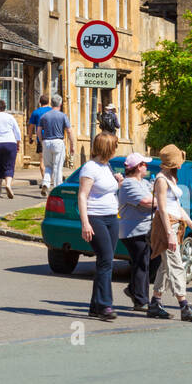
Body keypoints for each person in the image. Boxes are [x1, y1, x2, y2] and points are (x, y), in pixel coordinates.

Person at [148, 144, 192, 322]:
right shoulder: (161, 180)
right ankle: (184, 305)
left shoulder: (170, 178)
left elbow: (178, 208)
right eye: (179, 161)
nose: (181, 164)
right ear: (174, 163)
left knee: (166, 266)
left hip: (174, 225)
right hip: (166, 226)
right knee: (176, 266)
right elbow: (163, 210)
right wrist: (169, 234)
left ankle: (155, 303)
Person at [78, 131, 122, 321]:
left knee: (106, 261)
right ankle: (105, 305)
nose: (116, 150)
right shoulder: (90, 168)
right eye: (114, 146)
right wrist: (85, 222)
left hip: (112, 217)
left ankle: (95, 306)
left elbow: (107, 191)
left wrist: (118, 182)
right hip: (96, 217)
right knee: (105, 260)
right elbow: (82, 195)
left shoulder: (107, 166)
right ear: (107, 148)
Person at [118, 152, 156, 311]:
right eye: (144, 164)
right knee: (142, 263)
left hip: (146, 229)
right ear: (138, 167)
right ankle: (141, 301)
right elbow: (146, 201)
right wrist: (160, 200)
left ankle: (134, 289)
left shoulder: (144, 183)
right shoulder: (128, 184)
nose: (146, 166)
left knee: (154, 260)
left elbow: (157, 192)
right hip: (134, 231)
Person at [36, 94, 75, 196]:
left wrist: (41, 141)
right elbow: (69, 131)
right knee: (57, 167)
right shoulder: (63, 116)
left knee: (48, 166)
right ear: (60, 104)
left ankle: (45, 183)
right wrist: (72, 145)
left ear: (51, 103)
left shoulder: (44, 116)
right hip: (58, 142)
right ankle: (57, 190)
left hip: (46, 142)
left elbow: (39, 130)